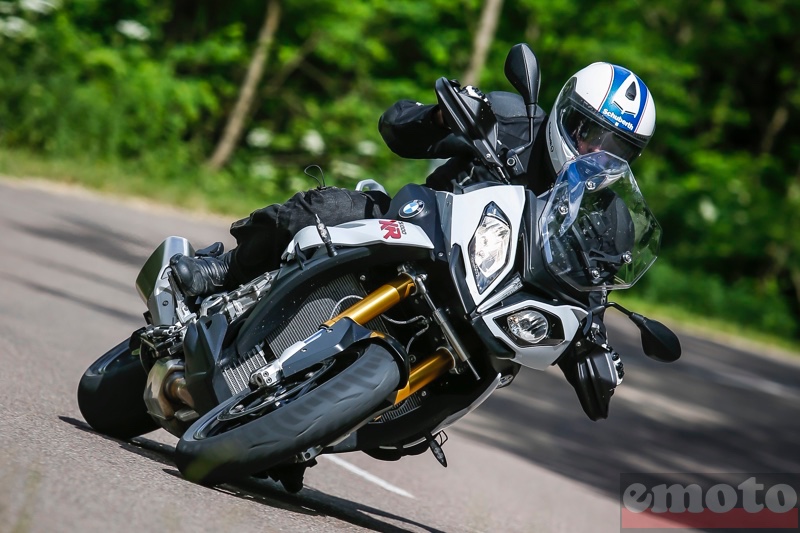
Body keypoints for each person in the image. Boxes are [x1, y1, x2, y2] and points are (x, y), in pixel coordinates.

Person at [171, 61, 656, 297]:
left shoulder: (609, 221)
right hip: (412, 228)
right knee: (327, 210)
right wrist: (440, 119)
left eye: (615, 147)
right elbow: (395, 129)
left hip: (486, 297)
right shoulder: (513, 122)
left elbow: (592, 295)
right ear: (566, 112)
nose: (595, 152)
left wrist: (594, 350)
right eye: (588, 132)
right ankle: (226, 270)